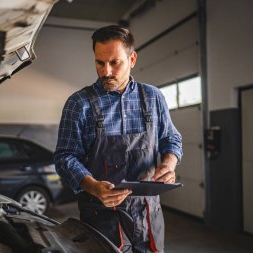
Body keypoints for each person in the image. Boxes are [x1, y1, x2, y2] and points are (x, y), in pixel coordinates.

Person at [54, 25, 182, 253]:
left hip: (148, 215)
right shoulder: (79, 104)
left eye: (115, 63)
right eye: (99, 63)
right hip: (101, 217)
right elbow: (65, 157)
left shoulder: (153, 97)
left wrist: (169, 163)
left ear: (132, 59)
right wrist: (92, 186)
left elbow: (170, 138)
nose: (106, 72)